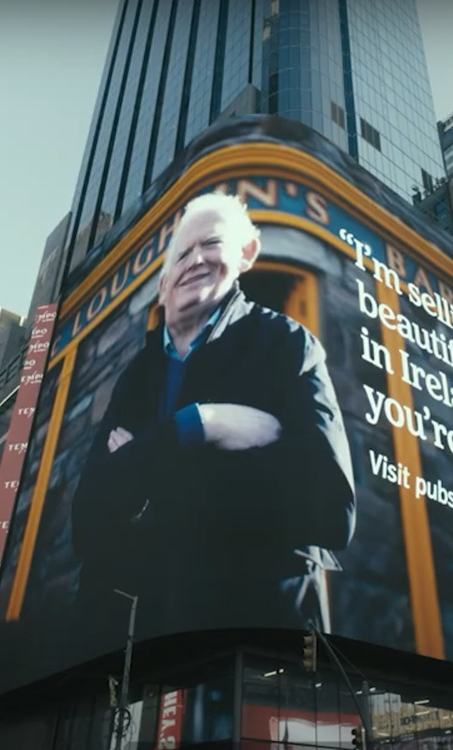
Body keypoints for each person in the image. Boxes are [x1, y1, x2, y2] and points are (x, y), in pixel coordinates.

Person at [70, 192, 356, 639]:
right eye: (182, 253)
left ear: (246, 254)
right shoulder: (137, 377)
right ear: (163, 285)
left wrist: (143, 468)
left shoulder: (287, 345)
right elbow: (87, 523)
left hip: (260, 638)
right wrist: (203, 425)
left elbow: (332, 511)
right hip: (141, 647)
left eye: (212, 244)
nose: (195, 260)